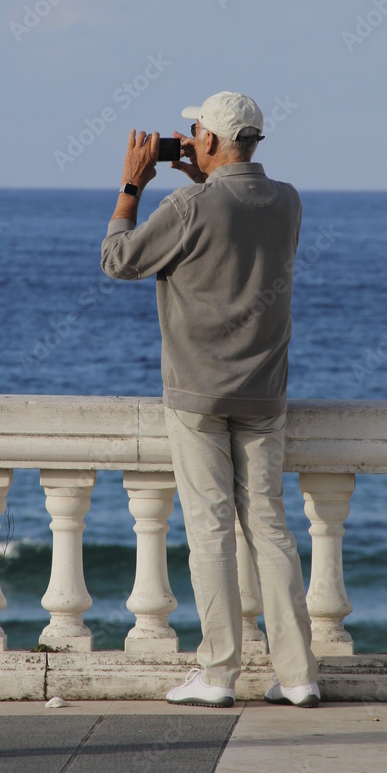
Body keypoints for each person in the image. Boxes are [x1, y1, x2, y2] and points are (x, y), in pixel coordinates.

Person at [100, 91, 319, 708]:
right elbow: (238, 223)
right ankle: (299, 676)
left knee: (211, 532)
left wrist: (130, 184)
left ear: (216, 141)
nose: (188, 138)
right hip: (264, 393)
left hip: (198, 394)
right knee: (271, 529)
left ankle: (219, 674)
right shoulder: (289, 202)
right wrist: (210, 175)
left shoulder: (188, 204)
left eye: (196, 131)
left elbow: (117, 260)